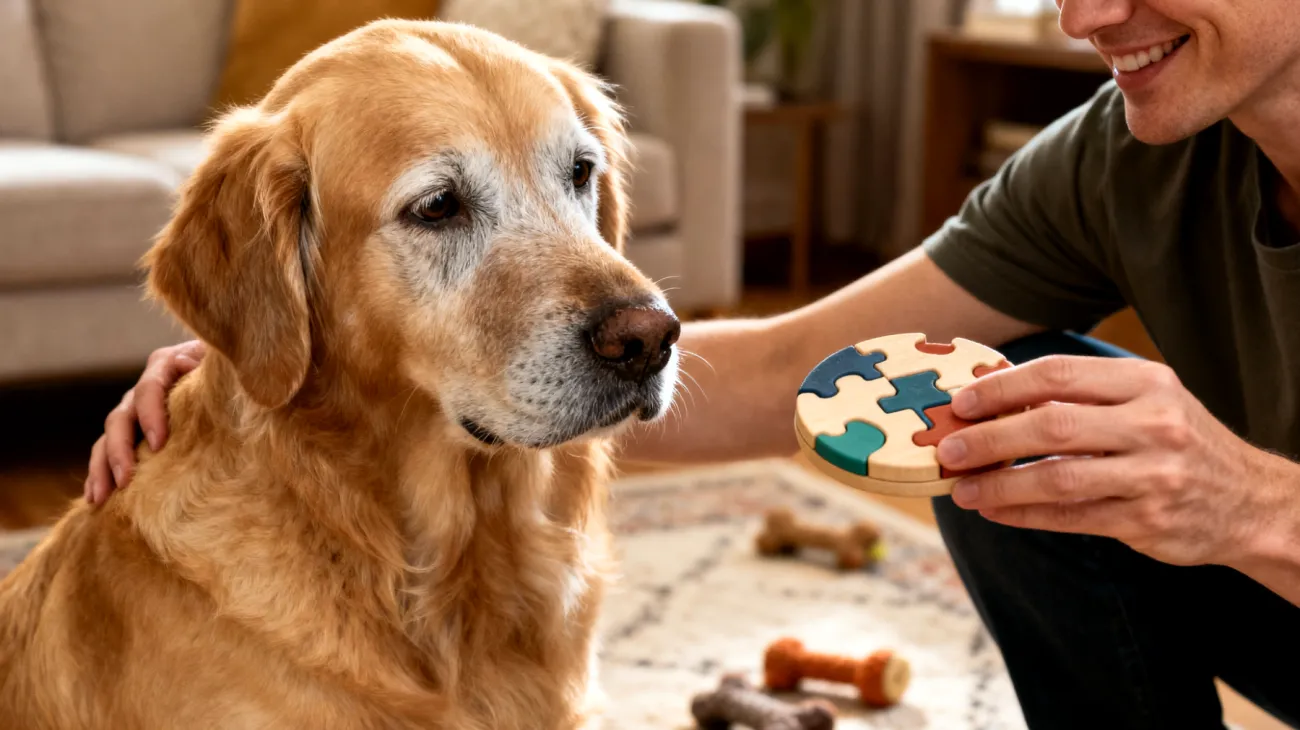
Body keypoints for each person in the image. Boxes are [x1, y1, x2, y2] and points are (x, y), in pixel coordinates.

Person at [85, 1, 1300, 727]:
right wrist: (295, 357)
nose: (1085, 15)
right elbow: (785, 371)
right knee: (1005, 403)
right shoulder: (1133, 151)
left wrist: (1239, 500)